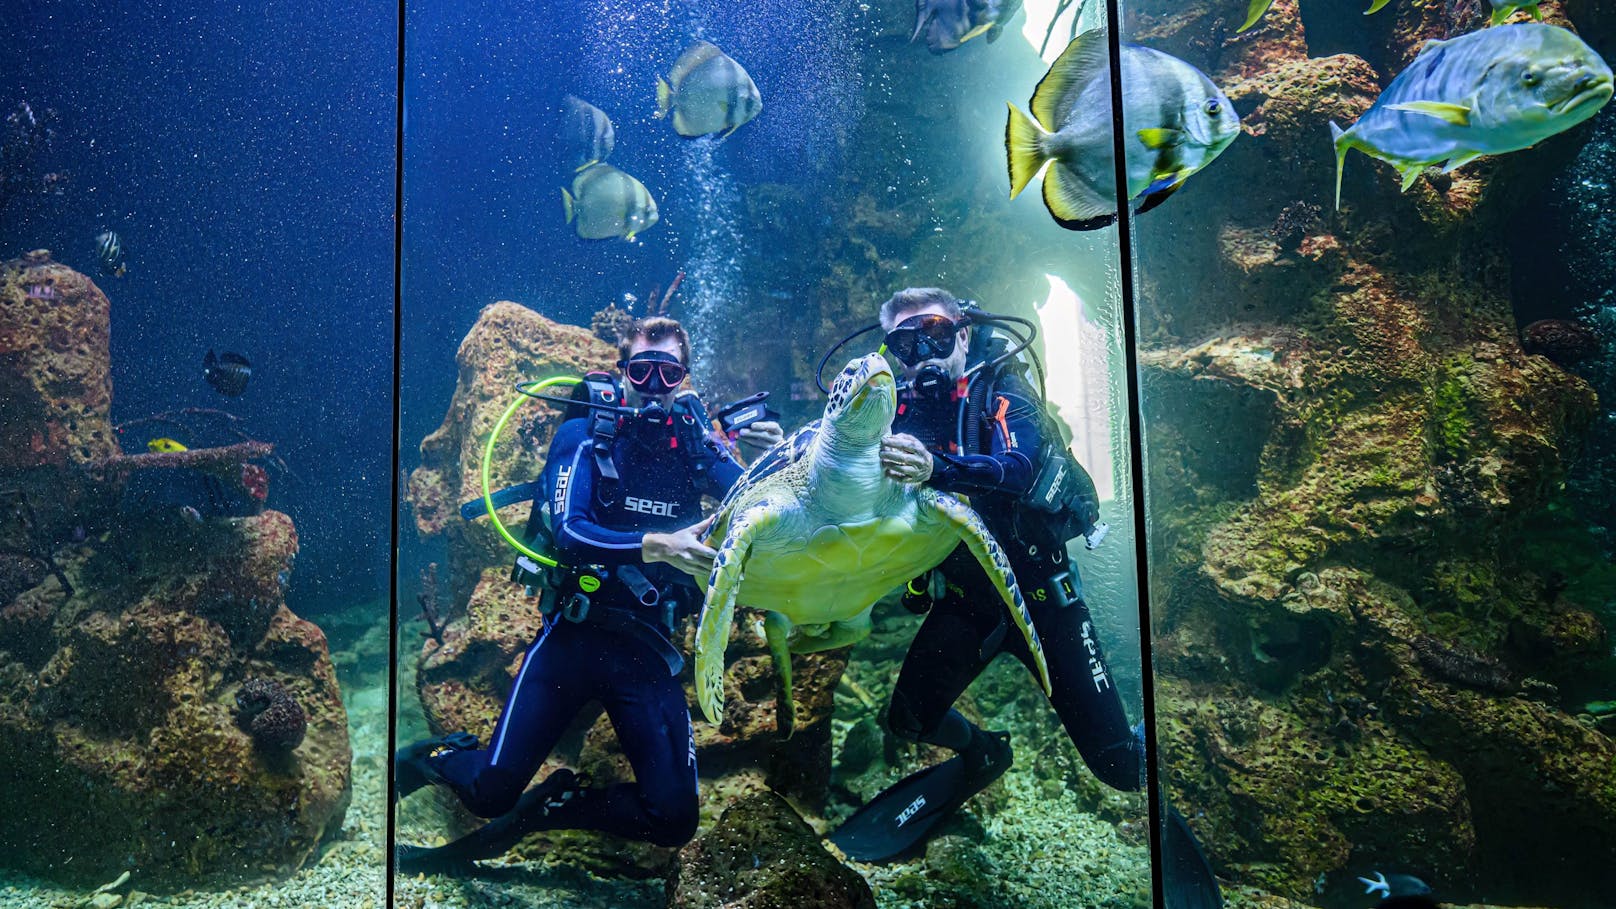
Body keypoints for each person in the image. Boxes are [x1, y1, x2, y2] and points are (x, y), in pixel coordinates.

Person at [395, 316, 782, 870]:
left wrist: (765, 460)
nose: (652, 384)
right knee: (488, 795)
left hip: (648, 652)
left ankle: (555, 807)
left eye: (667, 373)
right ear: (622, 372)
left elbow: (755, 505)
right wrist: (657, 545)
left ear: (683, 379)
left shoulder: (699, 444)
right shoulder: (586, 434)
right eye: (641, 369)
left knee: (674, 818)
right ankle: (437, 755)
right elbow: (572, 531)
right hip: (572, 640)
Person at [830, 287, 1142, 860]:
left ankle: (1154, 768)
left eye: (936, 334)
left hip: (1044, 597)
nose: (923, 351)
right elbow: (838, 467)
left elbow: (1020, 467)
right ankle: (984, 753)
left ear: (964, 335)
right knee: (909, 719)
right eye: (906, 342)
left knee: (1120, 769)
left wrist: (938, 467)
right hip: (969, 603)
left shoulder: (1001, 383)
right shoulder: (892, 406)